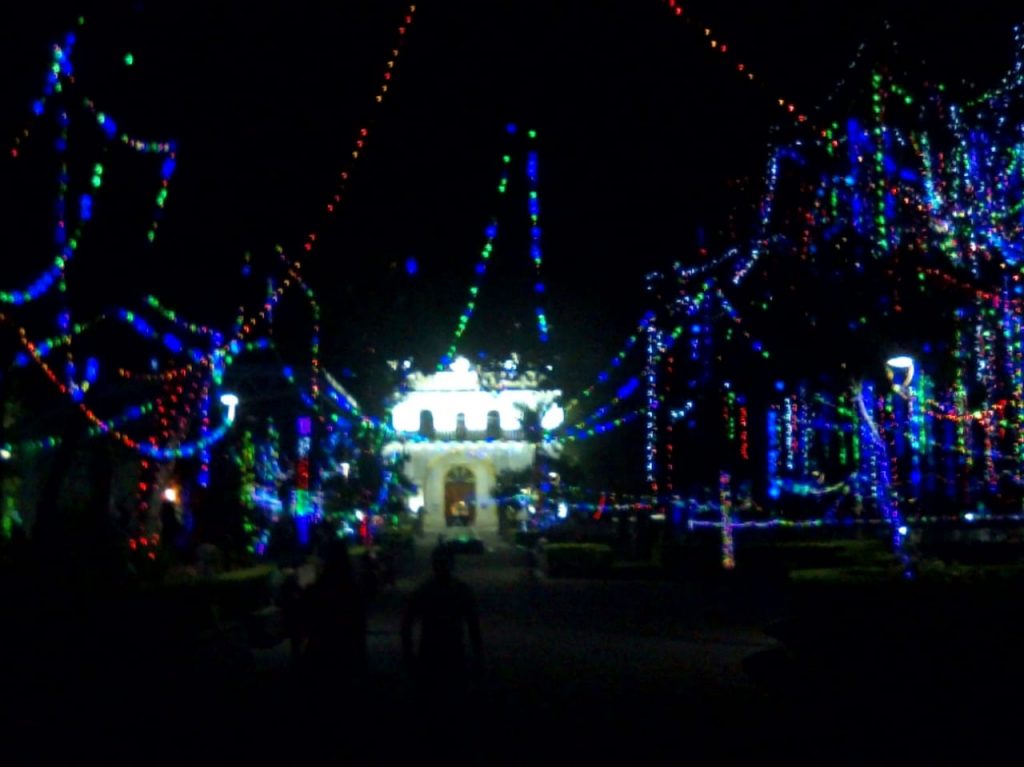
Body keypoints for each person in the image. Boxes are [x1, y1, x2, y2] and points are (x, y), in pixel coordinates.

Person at [401, 541, 483, 707]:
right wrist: (478, 656)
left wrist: (409, 655)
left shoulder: (424, 591)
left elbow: (407, 625)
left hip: (431, 651)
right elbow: (473, 626)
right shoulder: (461, 590)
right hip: (452, 651)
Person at [300, 539, 367, 692]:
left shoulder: (318, 589)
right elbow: (359, 628)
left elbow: (307, 620)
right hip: (346, 652)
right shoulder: (352, 589)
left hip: (322, 651)